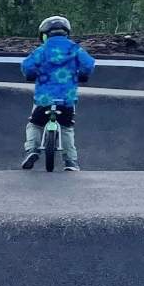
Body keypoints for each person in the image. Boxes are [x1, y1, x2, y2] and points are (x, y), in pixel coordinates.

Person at [20, 15, 96, 171]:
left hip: (44, 97)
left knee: (34, 124)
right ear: (66, 32)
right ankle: (71, 162)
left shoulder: (42, 50)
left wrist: (30, 74)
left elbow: (27, 66)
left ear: (45, 34)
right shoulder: (74, 48)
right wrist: (82, 74)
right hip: (67, 98)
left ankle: (32, 150)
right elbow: (89, 64)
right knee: (67, 128)